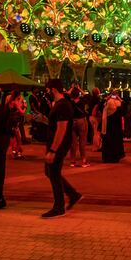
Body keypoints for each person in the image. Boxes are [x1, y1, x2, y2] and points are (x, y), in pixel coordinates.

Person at [41, 79, 82, 218]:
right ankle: (73, 194)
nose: (46, 93)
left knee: (53, 173)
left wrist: (53, 150)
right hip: (56, 144)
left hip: (58, 145)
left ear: (53, 89)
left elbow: (62, 128)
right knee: (49, 171)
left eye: (47, 90)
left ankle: (59, 206)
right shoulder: (59, 104)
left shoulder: (63, 105)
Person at [68, 87, 90, 167]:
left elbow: (66, 95)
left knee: (73, 143)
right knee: (82, 141)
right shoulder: (82, 101)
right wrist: (80, 88)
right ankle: (84, 161)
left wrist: (72, 88)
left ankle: (72, 161)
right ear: (78, 94)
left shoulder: (69, 102)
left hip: (72, 121)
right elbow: (87, 96)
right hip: (81, 120)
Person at [101, 91, 125, 163]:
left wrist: (107, 98)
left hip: (108, 126)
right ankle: (115, 157)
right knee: (116, 142)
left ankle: (107, 157)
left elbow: (102, 105)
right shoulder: (119, 104)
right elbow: (125, 105)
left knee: (108, 142)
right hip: (117, 128)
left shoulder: (108, 103)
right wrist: (119, 98)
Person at [6, 89, 25, 159]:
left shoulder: (10, 102)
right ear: (18, 94)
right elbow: (22, 112)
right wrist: (25, 107)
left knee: (13, 138)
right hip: (15, 122)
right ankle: (17, 153)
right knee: (18, 138)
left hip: (11, 121)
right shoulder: (15, 102)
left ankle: (15, 152)